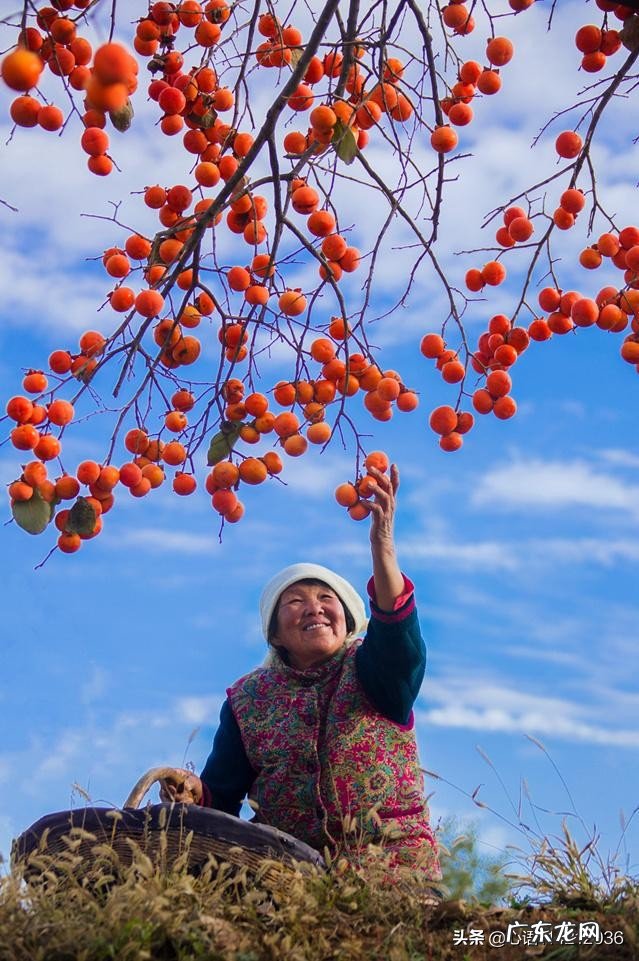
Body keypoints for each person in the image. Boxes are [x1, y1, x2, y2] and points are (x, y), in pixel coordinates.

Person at [160, 464, 441, 887]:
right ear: (274, 633)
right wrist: (192, 793)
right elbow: (221, 794)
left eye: (326, 599)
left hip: (393, 872)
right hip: (285, 882)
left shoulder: (374, 669)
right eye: (295, 601)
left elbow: (396, 631)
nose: (314, 607)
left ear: (347, 622)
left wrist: (382, 543)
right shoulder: (248, 701)